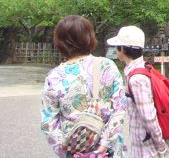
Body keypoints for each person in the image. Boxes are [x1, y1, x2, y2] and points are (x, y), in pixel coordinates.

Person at [41, 15, 127, 157]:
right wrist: (105, 143)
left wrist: (66, 148)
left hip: (73, 150)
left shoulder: (54, 76)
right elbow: (120, 108)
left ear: (59, 42)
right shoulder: (106, 66)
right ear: (89, 37)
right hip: (109, 151)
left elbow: (48, 123)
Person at [108, 25, 169, 158]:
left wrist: (161, 147)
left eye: (117, 46)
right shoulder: (143, 67)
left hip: (147, 148)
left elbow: (149, 117)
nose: (116, 50)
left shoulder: (136, 79)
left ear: (123, 49)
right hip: (145, 143)